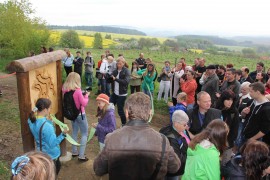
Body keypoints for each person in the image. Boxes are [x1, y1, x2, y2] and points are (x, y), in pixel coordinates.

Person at [93, 92, 180, 180]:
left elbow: (98, 169)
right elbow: (175, 167)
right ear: (150, 113)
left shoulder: (112, 138)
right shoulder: (162, 141)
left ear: (126, 112)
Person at [28, 98, 67, 174]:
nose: (50, 110)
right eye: (50, 108)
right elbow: (53, 143)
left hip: (41, 153)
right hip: (51, 156)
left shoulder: (31, 120)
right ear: (45, 109)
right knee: (52, 175)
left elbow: (33, 121)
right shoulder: (47, 126)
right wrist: (63, 134)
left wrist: (48, 121)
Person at [62, 72, 90, 162]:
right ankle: (81, 155)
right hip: (80, 115)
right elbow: (84, 103)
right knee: (84, 133)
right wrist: (86, 96)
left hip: (72, 115)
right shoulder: (77, 91)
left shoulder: (64, 89)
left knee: (74, 131)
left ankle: (74, 151)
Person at [160, 110, 190, 180]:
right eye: (184, 125)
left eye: (187, 124)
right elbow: (177, 160)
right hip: (173, 171)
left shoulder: (180, 130)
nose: (186, 127)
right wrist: (192, 156)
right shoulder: (171, 139)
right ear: (176, 124)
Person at [110, 57, 130, 126]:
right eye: (117, 63)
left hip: (122, 94)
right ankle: (108, 122)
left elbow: (126, 82)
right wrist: (108, 77)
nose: (118, 65)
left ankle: (124, 124)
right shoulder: (115, 71)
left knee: (120, 110)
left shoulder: (126, 71)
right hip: (114, 93)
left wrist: (116, 79)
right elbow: (110, 78)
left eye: (120, 64)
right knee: (109, 107)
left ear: (123, 64)